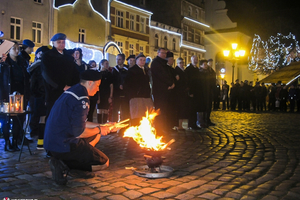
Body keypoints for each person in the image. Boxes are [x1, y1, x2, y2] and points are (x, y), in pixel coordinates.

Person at [44, 70, 119, 185]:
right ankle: (65, 165)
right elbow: (79, 132)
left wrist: (103, 125)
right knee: (104, 162)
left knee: (96, 134)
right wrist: (100, 129)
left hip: (51, 143)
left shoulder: (74, 91)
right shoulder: (81, 99)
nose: (98, 89)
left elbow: (80, 122)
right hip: (63, 144)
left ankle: (75, 166)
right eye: (97, 85)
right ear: (90, 83)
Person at [41, 33, 80, 118]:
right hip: (54, 91)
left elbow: (75, 73)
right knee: (53, 115)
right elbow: (47, 75)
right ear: (53, 43)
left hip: (69, 90)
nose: (62, 44)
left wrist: (73, 86)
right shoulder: (47, 56)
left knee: (65, 115)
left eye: (63, 42)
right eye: (59, 42)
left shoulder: (68, 57)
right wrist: (61, 86)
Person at [0, 41, 30, 151]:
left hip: (20, 95)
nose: (17, 51)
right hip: (7, 94)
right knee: (6, 119)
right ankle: (7, 143)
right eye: (14, 48)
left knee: (18, 119)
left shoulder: (22, 62)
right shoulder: (4, 62)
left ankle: (16, 141)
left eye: (18, 48)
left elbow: (26, 79)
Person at [27, 45, 51, 149]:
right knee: (42, 118)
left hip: (39, 95)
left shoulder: (37, 65)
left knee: (42, 118)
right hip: (41, 95)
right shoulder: (40, 66)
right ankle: (41, 142)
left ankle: (41, 141)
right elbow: (38, 82)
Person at [124, 53, 152, 126]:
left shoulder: (145, 70)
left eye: (144, 60)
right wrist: (132, 95)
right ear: (136, 61)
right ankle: (135, 133)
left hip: (145, 96)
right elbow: (127, 84)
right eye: (141, 60)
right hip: (136, 97)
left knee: (144, 115)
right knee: (136, 116)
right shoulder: (132, 70)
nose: (142, 61)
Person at [150, 48, 174, 132]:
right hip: (159, 90)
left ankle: (164, 127)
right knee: (160, 110)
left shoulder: (163, 63)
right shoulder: (156, 63)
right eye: (162, 53)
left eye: (165, 53)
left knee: (165, 110)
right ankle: (159, 128)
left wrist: (171, 83)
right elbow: (161, 76)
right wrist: (170, 83)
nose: (164, 55)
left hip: (165, 90)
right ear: (158, 53)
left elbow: (168, 74)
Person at [197, 59, 215, 128]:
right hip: (202, 93)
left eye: (206, 64)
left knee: (207, 107)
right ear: (201, 65)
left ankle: (206, 120)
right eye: (204, 64)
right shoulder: (199, 73)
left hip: (208, 92)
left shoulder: (208, 72)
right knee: (201, 108)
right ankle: (201, 121)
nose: (206, 66)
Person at [111, 53, 129, 122]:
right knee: (115, 110)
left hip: (125, 93)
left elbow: (128, 80)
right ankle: (114, 126)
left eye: (119, 59)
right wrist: (118, 85)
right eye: (117, 59)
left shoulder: (127, 69)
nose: (117, 61)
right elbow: (113, 81)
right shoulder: (114, 70)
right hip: (116, 94)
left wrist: (124, 85)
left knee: (124, 111)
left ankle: (123, 127)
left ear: (123, 60)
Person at [185, 55, 201, 130]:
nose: (195, 60)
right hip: (191, 92)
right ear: (191, 60)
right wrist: (190, 92)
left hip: (197, 92)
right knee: (191, 109)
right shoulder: (188, 69)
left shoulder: (197, 69)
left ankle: (194, 123)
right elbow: (187, 82)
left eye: (196, 59)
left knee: (195, 109)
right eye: (194, 59)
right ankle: (191, 124)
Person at [174, 57, 189, 129]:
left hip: (183, 92)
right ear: (177, 63)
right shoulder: (176, 71)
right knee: (179, 109)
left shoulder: (183, 71)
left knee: (183, 109)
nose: (182, 64)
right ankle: (179, 125)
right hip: (179, 93)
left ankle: (181, 125)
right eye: (180, 63)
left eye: (182, 63)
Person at [97, 59, 113, 124]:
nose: (107, 65)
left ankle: (104, 126)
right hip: (99, 94)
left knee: (106, 110)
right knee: (99, 110)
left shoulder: (109, 74)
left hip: (106, 94)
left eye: (107, 64)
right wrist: (97, 97)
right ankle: (99, 126)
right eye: (106, 63)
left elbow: (111, 86)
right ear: (101, 64)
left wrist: (110, 96)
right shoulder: (97, 73)